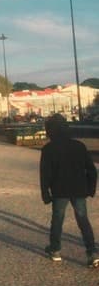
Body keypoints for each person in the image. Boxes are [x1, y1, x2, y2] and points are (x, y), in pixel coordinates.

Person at [39, 113, 98, 266]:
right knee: (83, 220)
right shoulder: (79, 146)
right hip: (79, 189)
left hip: (59, 190)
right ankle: (92, 252)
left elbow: (45, 175)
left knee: (58, 219)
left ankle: (56, 249)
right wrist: (91, 188)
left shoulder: (48, 149)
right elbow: (91, 170)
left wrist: (45, 193)